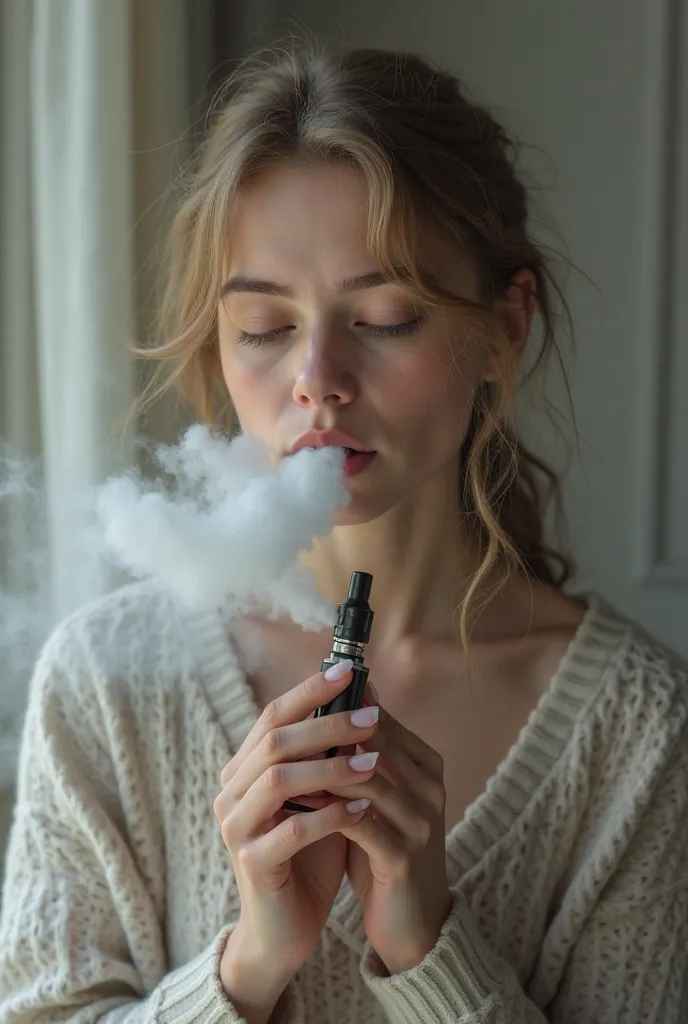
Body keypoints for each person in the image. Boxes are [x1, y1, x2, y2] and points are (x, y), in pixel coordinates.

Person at [1, 42, 687, 1024]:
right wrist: (248, 962)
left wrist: (429, 954)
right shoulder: (104, 683)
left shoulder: (642, 737)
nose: (317, 376)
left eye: (388, 315)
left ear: (503, 329)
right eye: (266, 328)